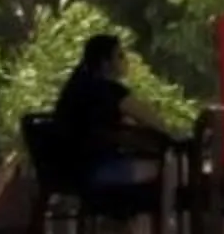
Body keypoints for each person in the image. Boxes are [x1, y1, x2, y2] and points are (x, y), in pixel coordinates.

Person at [52, 33, 172, 194]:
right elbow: (156, 124)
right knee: (172, 167)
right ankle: (168, 218)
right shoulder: (110, 92)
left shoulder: (74, 88)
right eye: (120, 56)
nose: (126, 61)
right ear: (105, 62)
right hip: (99, 172)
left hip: (67, 172)